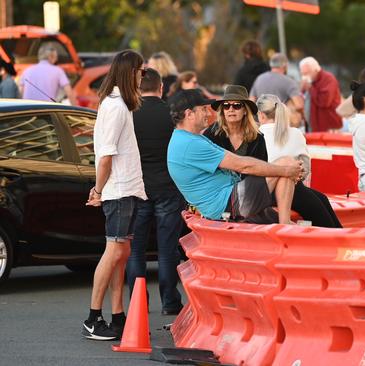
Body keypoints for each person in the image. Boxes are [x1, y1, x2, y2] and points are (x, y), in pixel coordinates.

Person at [82, 50, 147, 341]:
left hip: (125, 188)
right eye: (141, 71)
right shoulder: (116, 107)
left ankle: (118, 316)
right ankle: (93, 318)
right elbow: (106, 156)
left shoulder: (119, 104)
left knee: (121, 254)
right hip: (118, 190)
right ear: (130, 71)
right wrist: (98, 190)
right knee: (115, 252)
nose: (142, 76)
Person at [167, 88, 303, 225]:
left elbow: (242, 164)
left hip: (230, 198)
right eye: (203, 109)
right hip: (227, 206)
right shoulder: (192, 143)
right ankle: (285, 226)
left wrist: (287, 170)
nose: (208, 113)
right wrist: (287, 171)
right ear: (189, 114)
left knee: (288, 167)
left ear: (245, 111)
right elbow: (243, 165)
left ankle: (286, 225)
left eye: (236, 105)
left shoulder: (190, 138)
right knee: (287, 163)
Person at [126, 68, 184, 316]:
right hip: (168, 188)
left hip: (137, 187)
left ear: (137, 88)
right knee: (167, 249)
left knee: (136, 249)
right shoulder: (171, 115)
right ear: (161, 88)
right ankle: (170, 301)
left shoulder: (129, 115)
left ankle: (138, 301)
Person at [256, 94, 342, 227]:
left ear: (261, 115)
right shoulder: (295, 133)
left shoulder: (254, 135)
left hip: (265, 190)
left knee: (320, 199)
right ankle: (340, 240)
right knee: (321, 204)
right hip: (292, 188)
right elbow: (306, 170)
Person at [249, 53, 304, 126]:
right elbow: (299, 105)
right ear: (285, 65)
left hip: (263, 123)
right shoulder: (289, 81)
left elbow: (251, 102)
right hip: (282, 124)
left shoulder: (259, 79)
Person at [299, 56, 342, 132]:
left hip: (328, 128)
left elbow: (325, 101)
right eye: (302, 74)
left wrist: (310, 88)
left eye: (306, 73)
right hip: (311, 127)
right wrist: (302, 90)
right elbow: (301, 101)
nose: (304, 77)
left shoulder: (328, 79)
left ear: (315, 70)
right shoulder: (309, 82)